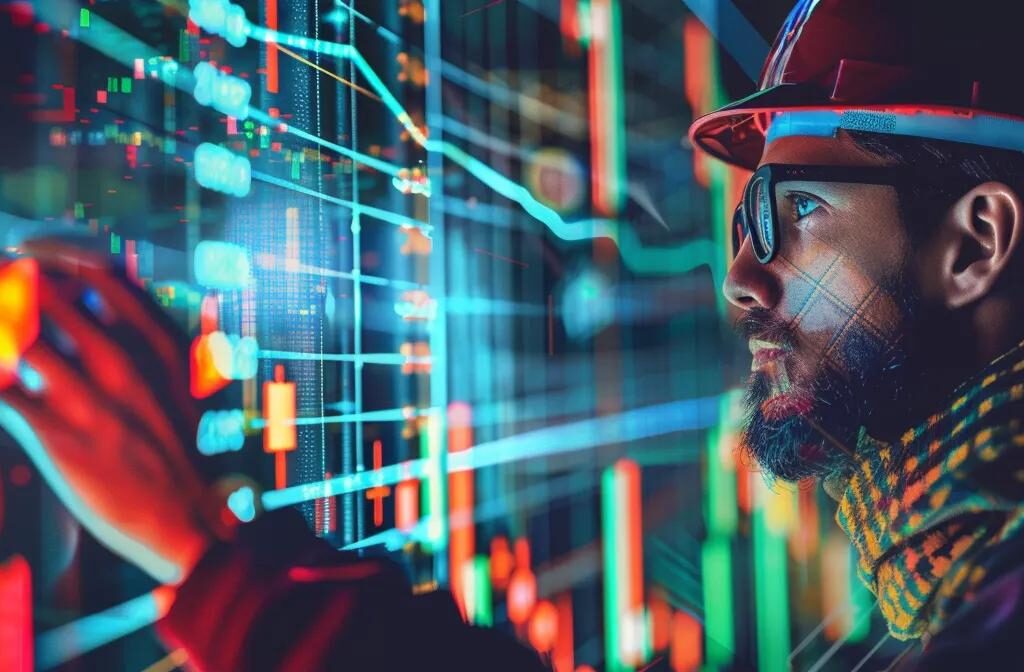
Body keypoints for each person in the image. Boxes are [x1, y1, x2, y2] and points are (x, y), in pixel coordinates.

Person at [7, 0, 1024, 669]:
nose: (743, 278)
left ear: (973, 244)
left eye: (797, 212)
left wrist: (209, 556)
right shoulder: (955, 559)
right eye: (743, 217)